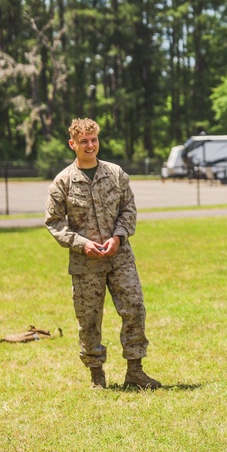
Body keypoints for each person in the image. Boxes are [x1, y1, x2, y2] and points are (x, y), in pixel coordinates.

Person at [44, 118, 161, 390]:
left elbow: (128, 210)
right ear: (72, 144)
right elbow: (54, 222)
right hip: (85, 264)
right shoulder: (62, 181)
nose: (90, 145)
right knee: (89, 319)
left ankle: (135, 371)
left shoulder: (116, 173)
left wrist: (119, 236)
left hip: (120, 258)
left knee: (133, 310)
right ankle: (97, 376)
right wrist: (81, 243)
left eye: (93, 139)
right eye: (83, 141)